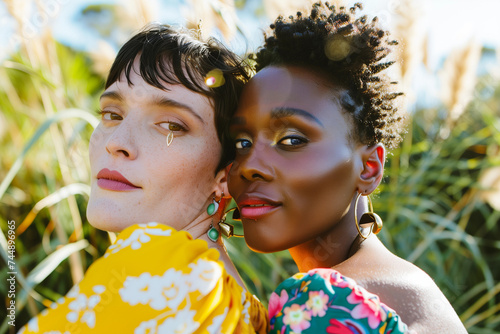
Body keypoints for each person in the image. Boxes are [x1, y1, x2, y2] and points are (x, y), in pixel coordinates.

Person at [227, 2, 467, 333]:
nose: (248, 166)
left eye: (292, 140)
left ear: (368, 168)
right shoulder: (401, 286)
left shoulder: (325, 306)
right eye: (241, 143)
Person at [19, 24, 268, 333]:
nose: (116, 142)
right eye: (112, 114)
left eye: (171, 125)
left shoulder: (154, 269)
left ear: (225, 176)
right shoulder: (246, 309)